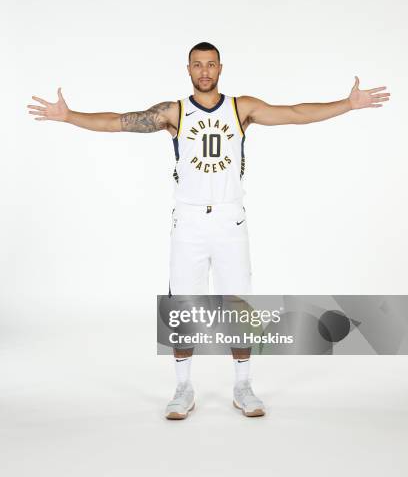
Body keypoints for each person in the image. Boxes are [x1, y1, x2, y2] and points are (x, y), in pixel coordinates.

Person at [27, 41, 390, 420]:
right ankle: (183, 388)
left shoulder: (241, 107)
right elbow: (118, 121)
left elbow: (296, 113)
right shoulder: (174, 112)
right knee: (183, 306)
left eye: (211, 65)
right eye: (197, 65)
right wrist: (68, 116)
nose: (204, 71)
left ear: (220, 69)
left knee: (239, 306)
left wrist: (348, 104)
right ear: (188, 69)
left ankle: (243, 385)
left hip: (230, 220)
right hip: (189, 222)